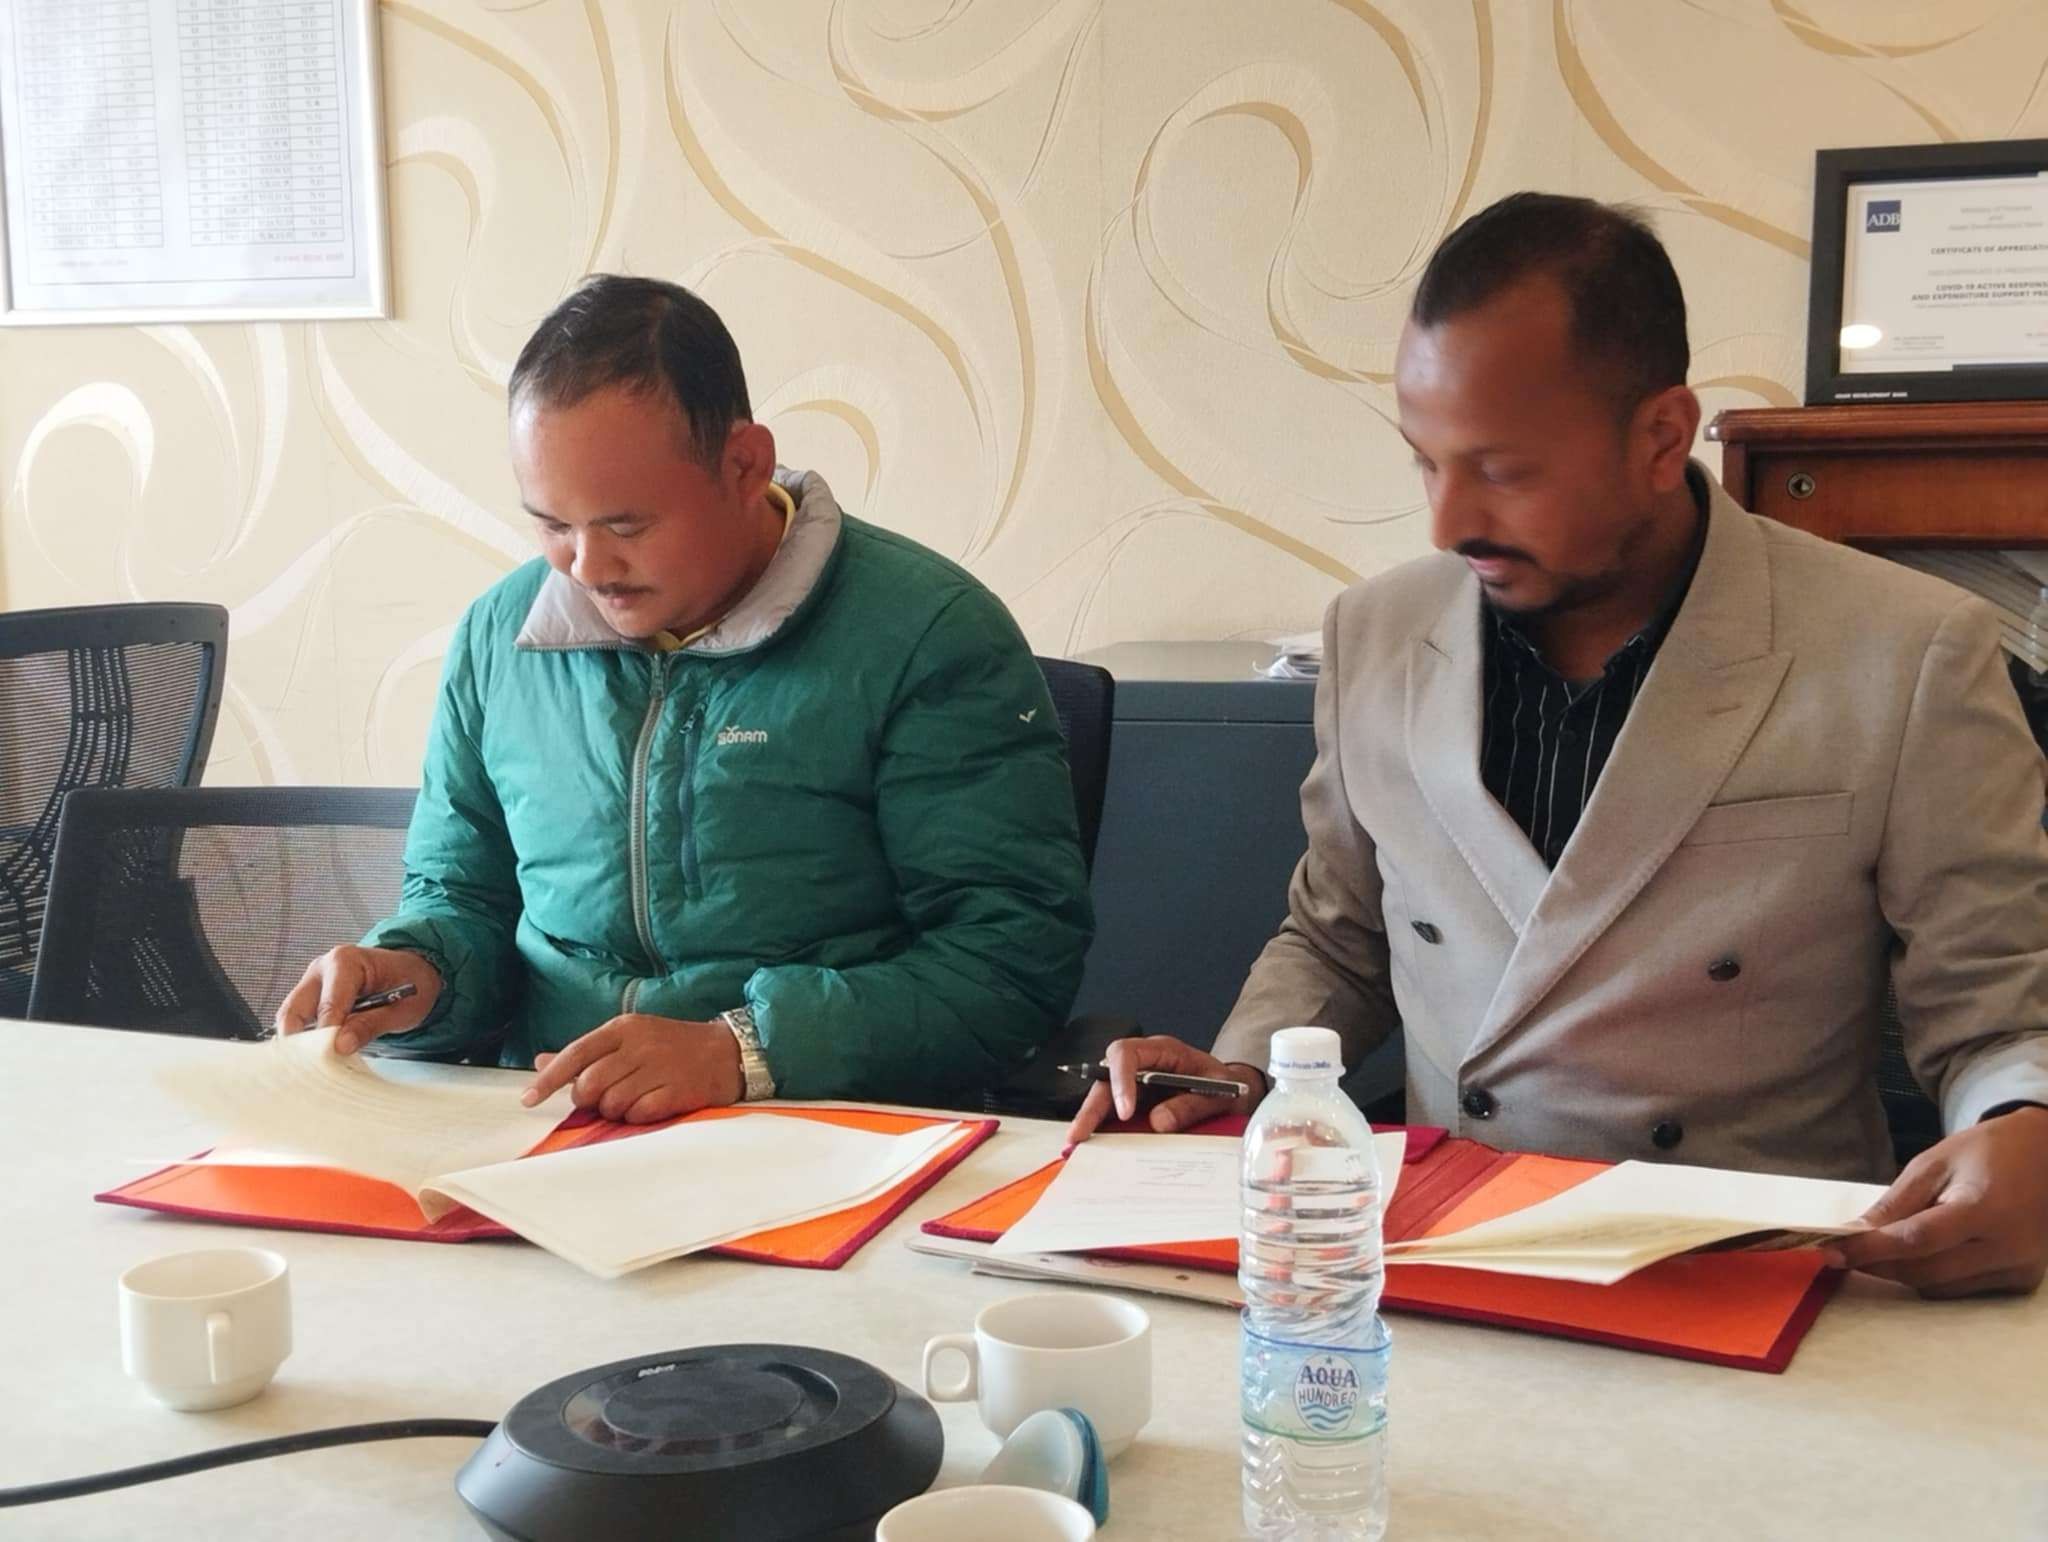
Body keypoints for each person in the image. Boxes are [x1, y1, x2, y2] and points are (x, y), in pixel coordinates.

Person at [1070, 193, 2048, 1298]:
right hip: (1447, 1253)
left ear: (1661, 437)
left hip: (1748, 1272)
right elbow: (1340, 937)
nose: (1448, 523)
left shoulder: (1905, 649)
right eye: (1426, 463)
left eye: (1504, 471)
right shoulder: (1375, 632)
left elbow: (1995, 1002)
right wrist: (1242, 1073)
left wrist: (2021, 1128)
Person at [279, 274, 1092, 1118]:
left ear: (744, 465)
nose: (587, 567)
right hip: (544, 1121)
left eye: (626, 526)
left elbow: (1009, 962)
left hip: (826, 1128)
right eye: (552, 525)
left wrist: (741, 1052)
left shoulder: (928, 635)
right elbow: (462, 897)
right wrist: (414, 971)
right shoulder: (499, 637)